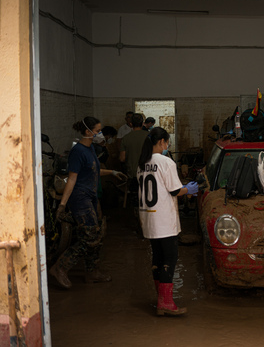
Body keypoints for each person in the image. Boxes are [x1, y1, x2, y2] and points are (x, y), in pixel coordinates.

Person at [49, 116, 127, 289]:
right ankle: (60, 267)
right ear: (87, 131)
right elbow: (71, 179)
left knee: (97, 234)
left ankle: (92, 272)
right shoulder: (78, 152)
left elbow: (94, 170)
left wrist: (112, 172)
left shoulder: (91, 148)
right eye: (98, 130)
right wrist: (62, 205)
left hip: (90, 197)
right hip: (80, 198)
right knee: (90, 236)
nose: (100, 134)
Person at [137, 127, 198, 316]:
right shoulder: (166, 162)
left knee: (157, 257)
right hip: (163, 219)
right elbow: (174, 191)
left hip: (148, 217)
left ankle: (161, 300)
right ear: (162, 141)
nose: (167, 146)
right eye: (167, 142)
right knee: (169, 259)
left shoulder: (142, 163)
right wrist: (189, 189)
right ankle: (166, 303)